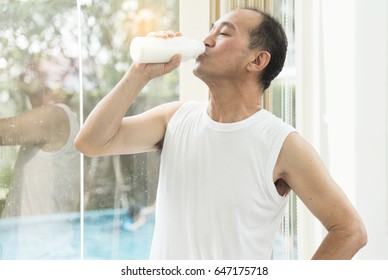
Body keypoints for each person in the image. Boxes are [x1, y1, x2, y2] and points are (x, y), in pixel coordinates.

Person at [75, 8, 367, 259]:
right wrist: (138, 73)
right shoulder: (174, 118)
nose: (206, 40)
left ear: (256, 61)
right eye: (210, 31)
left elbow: (350, 231)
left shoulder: (282, 144)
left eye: (224, 34)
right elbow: (90, 142)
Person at [0, 87, 80, 217]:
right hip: (36, 234)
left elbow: (4, 132)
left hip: (35, 236)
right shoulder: (68, 121)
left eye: (44, 90)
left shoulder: (56, 115)